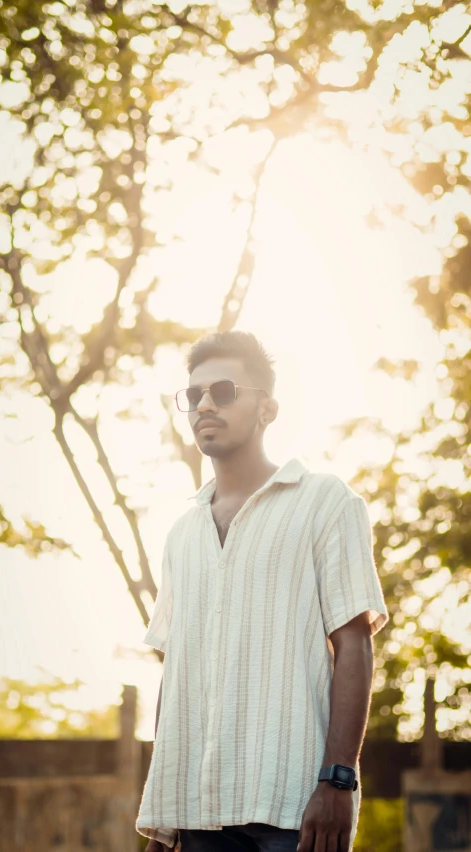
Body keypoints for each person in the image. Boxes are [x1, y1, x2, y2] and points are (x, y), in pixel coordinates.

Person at [136, 331, 388, 852]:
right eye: (194, 395)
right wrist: (163, 815)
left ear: (267, 408)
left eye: (224, 390)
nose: (204, 403)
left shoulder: (325, 502)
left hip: (294, 807)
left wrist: (338, 780)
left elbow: (355, 644)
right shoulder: (182, 534)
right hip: (197, 814)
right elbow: (175, 672)